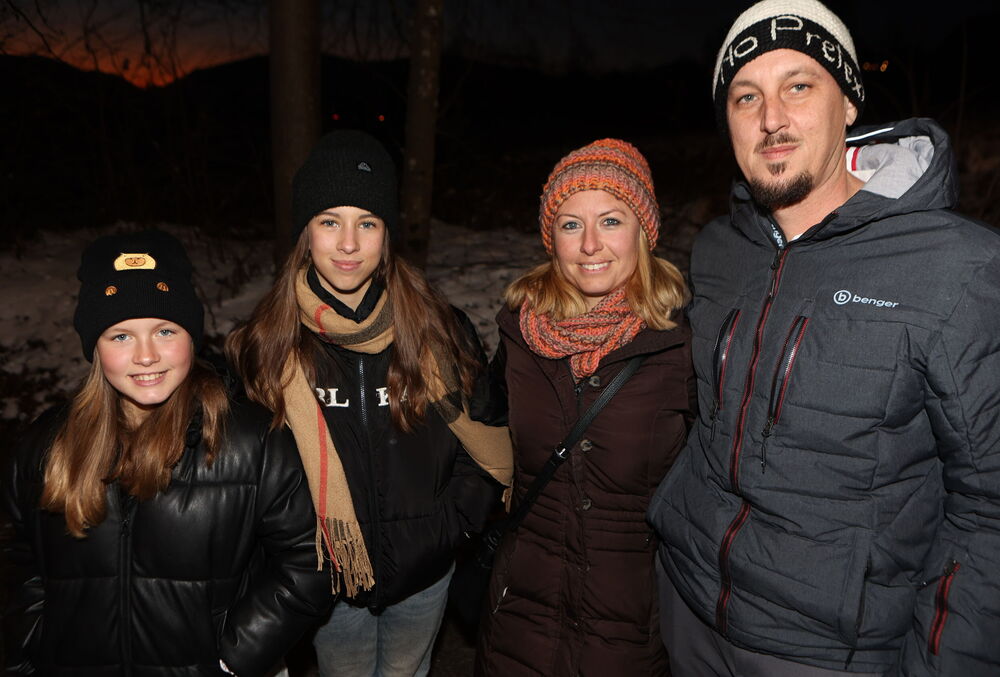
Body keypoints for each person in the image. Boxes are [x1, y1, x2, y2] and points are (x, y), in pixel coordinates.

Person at [647, 1, 1000, 675]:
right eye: (746, 96)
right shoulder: (720, 250)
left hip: (828, 652)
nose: (771, 118)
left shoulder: (959, 268)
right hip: (688, 614)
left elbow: (988, 511)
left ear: (849, 104)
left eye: (799, 85)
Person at [225, 129, 513, 677]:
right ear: (305, 232)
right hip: (329, 584)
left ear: (387, 233)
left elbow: (487, 432)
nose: (349, 244)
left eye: (368, 222)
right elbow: (252, 476)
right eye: (330, 221)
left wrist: (449, 526)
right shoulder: (268, 343)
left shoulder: (438, 329)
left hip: (425, 574)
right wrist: (302, 553)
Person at [1, 230, 330, 676]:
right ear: (94, 346)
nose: (146, 356)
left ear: (192, 337)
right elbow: (22, 571)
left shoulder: (251, 441)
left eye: (165, 331)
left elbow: (307, 560)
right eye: (121, 336)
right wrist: (28, 657)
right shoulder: (44, 447)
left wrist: (235, 659)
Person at [475, 138, 695, 676]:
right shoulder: (519, 336)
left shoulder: (682, 345)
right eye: (571, 224)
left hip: (629, 632)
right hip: (520, 622)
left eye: (611, 221)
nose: (591, 245)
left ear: (643, 231)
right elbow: (482, 443)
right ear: (551, 239)